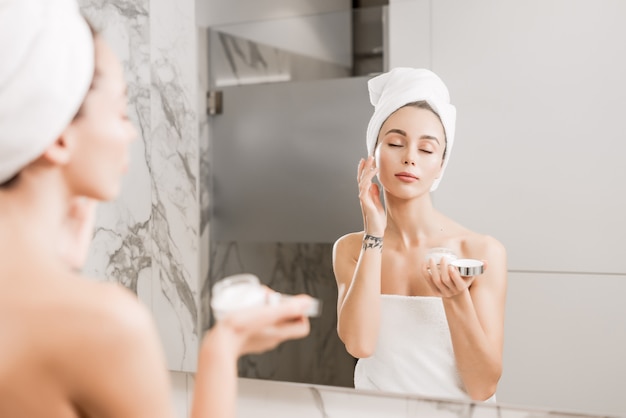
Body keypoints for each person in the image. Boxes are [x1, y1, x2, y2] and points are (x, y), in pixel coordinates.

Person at [0, 0, 314, 417]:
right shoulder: (101, 325)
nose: (131, 134)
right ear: (58, 136)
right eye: (122, 111)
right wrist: (224, 345)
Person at [332, 67, 507, 401]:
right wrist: (375, 235)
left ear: (441, 165)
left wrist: (456, 299)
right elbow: (360, 344)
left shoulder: (481, 251)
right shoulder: (351, 249)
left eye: (426, 150)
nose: (410, 157)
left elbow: (483, 386)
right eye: (396, 143)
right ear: (374, 155)